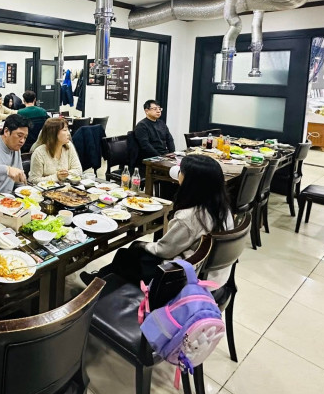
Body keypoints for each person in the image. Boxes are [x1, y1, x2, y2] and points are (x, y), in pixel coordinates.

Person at [81, 155, 234, 287]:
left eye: (181, 172)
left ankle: (99, 285)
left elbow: (164, 250)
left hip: (180, 277)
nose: (179, 174)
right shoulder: (221, 208)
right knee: (132, 252)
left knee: (128, 253)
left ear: (190, 182)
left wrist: (143, 245)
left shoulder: (188, 218)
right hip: (214, 275)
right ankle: (100, 279)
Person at [29, 117, 83, 183]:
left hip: (66, 186)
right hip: (47, 188)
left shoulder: (69, 146)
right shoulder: (39, 152)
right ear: (53, 133)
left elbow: (78, 170)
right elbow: (33, 180)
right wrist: (57, 177)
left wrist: (65, 174)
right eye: (65, 130)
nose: (68, 133)